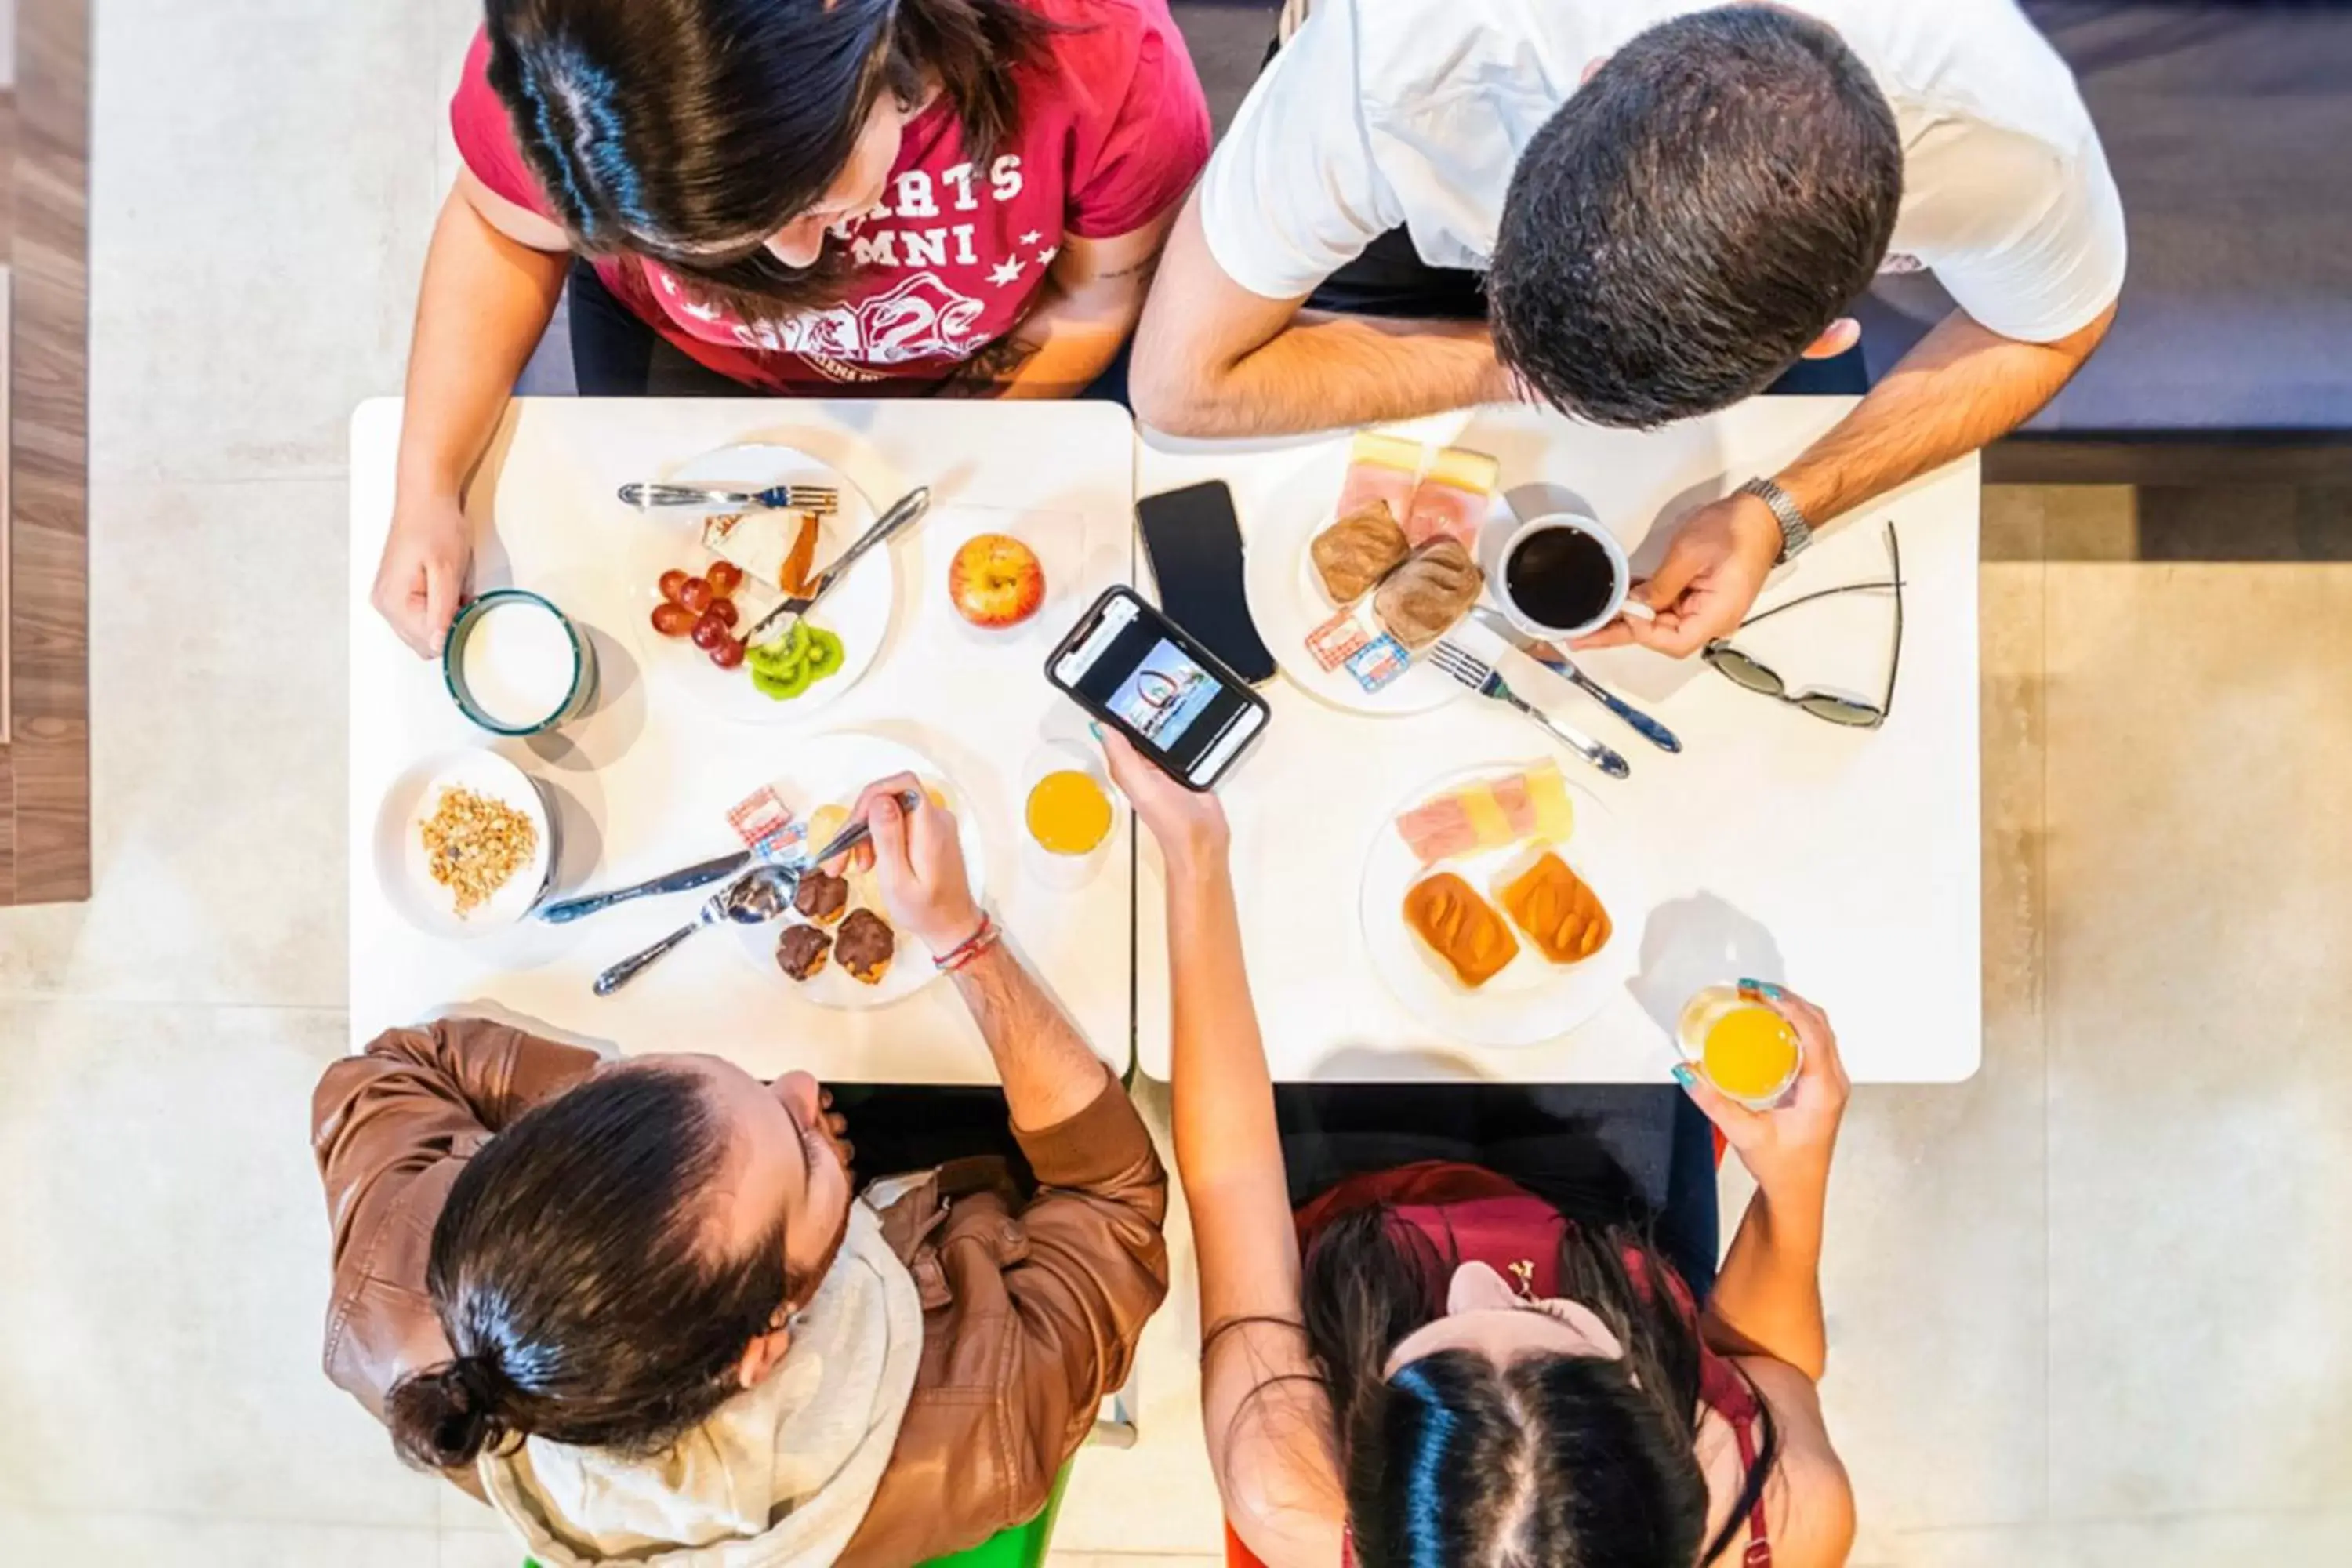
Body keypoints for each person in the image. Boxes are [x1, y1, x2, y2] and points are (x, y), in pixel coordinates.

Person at [311, 778, 1168, 1567]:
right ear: (766, 1342)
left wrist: (640, 1144)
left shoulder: (394, 1302)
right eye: (800, 1150)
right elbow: (1113, 1193)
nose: (800, 1082)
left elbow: (397, 1068)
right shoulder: (979, 1426)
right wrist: (962, 936)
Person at [1130, 0, 2123, 657]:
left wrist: (1777, 511)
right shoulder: (1393, 59)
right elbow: (1181, 385)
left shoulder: (2003, 136)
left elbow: (2047, 330)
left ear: (1827, 324)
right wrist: (1505, 370)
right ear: (1592, 74)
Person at [1099, 728, 1857, 1567]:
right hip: (1608, 1219)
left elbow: (1236, 1180)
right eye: (1551, 1321)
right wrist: (1797, 1179)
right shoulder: (1786, 1509)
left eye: (1433, 1344)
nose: (1476, 1280)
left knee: (1314, 912)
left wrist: (1194, 851)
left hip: (1350, 1224)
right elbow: (1762, 1363)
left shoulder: (1286, 1478)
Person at [373, 0, 1210, 656]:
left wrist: (911, 461)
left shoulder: (1099, 54)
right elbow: (503, 228)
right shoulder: (566, 73)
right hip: (692, 359)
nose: (795, 259)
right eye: (716, 248)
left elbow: (1095, 304)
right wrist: (426, 484)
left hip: (984, 376)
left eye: (814, 200)